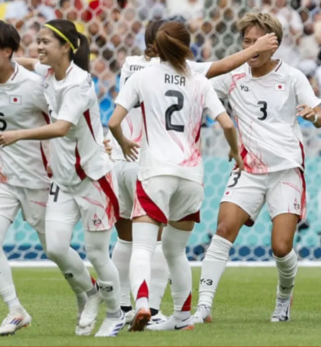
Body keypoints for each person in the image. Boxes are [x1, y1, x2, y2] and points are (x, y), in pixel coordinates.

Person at [107, 20, 278, 328]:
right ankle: (183, 315)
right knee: (175, 250)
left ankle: (141, 304)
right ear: (188, 47)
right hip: (191, 177)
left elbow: (113, 122)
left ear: (155, 46)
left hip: (152, 170)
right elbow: (227, 123)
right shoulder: (198, 79)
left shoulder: (138, 71)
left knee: (141, 246)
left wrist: (123, 142)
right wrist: (236, 152)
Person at [192, 12, 321, 323]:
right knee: (223, 230)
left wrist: (313, 116)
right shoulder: (233, 76)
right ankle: (203, 307)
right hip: (248, 168)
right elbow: (200, 87)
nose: (251, 48)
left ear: (273, 46)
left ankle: (283, 299)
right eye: (247, 42)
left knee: (281, 247)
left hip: (286, 169)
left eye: (258, 42)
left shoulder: (292, 77)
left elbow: (320, 116)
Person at [0, 20, 125, 337]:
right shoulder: (50, 73)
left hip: (94, 179)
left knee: (96, 253)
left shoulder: (79, 83)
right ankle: (92, 292)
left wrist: (18, 134)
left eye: (44, 42)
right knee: (54, 247)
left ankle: (115, 313)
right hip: (63, 182)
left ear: (66, 46)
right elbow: (22, 62)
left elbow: (62, 127)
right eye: (37, 41)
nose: (37, 47)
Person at [0, 21, 66, 336]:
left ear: (7, 51)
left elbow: (64, 120)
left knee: (57, 248)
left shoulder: (35, 86)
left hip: (39, 179)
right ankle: (15, 310)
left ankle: (97, 291)